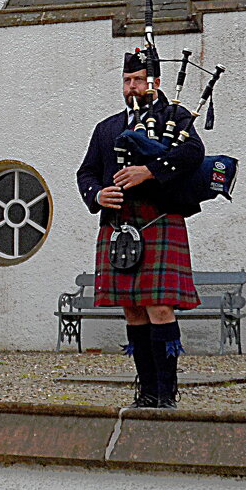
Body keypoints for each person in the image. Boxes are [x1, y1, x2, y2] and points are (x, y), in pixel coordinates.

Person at [76, 52, 205, 408]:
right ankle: (147, 391)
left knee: (159, 307)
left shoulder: (175, 118)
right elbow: (86, 173)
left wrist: (149, 171)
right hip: (118, 226)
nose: (132, 87)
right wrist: (98, 194)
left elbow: (193, 152)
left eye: (138, 80)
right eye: (127, 80)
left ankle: (166, 392)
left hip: (159, 220)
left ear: (155, 84)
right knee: (132, 309)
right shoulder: (107, 128)